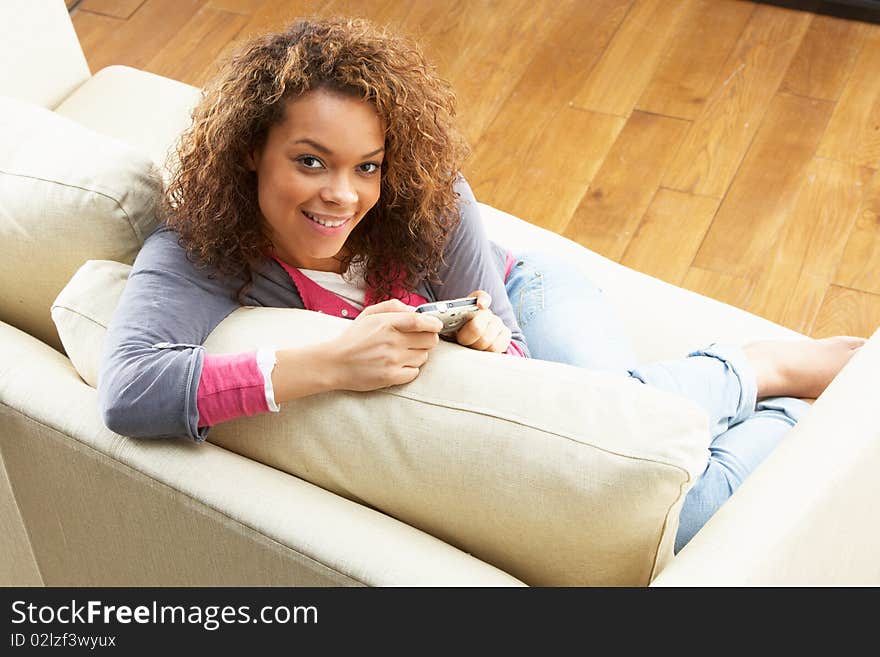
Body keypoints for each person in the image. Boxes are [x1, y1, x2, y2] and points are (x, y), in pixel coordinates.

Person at [98, 17, 865, 554]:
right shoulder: (200, 245)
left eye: (366, 166)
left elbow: (529, 383)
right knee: (669, 491)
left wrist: (486, 345)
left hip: (526, 294)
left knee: (620, 418)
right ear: (249, 153)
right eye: (310, 160)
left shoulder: (432, 200)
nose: (342, 194)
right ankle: (784, 402)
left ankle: (768, 367)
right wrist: (331, 364)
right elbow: (130, 388)